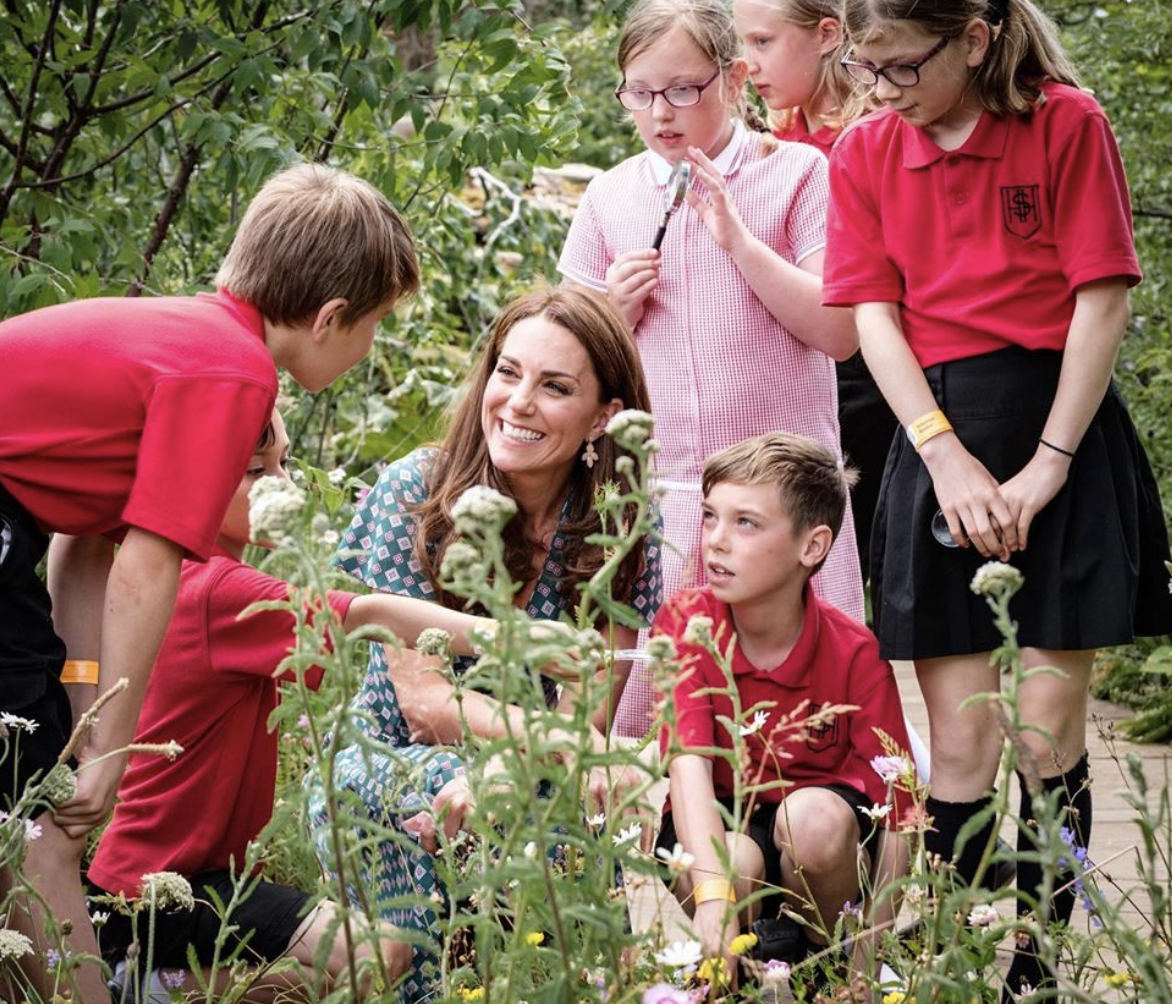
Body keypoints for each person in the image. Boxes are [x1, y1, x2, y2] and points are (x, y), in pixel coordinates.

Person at [0, 162, 418, 1002]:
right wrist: (112, 758)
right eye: (373, 325)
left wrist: (88, 715)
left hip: (16, 532)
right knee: (41, 833)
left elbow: (85, 544)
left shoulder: (191, 336)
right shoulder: (234, 370)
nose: (368, 346)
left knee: (26, 812)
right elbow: (148, 565)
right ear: (331, 317)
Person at [822, 0, 1172, 997]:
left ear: (971, 39)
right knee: (966, 737)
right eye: (861, 66)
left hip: (1059, 418)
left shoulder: (1064, 122)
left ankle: (1033, 962)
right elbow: (873, 317)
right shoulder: (864, 152)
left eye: (897, 67)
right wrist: (941, 456)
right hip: (935, 429)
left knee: (1039, 731)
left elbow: (1099, 297)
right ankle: (969, 961)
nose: (877, 91)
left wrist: (1049, 461)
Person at [306, 287, 663, 1000]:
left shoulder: (620, 524)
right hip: (394, 773)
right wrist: (509, 766)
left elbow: (587, 718)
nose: (519, 402)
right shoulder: (418, 493)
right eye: (508, 371)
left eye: (555, 386)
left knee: (571, 918)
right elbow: (425, 703)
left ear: (605, 418)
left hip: (539, 782)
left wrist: (511, 772)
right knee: (444, 814)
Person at [84, 409, 511, 1000]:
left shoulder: (181, 576)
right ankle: (149, 989)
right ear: (190, 478)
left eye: (284, 462)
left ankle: (156, 983)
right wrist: (516, 638)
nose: (281, 484)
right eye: (257, 471)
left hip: (181, 879)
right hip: (166, 886)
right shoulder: (218, 590)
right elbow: (371, 616)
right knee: (378, 957)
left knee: (348, 965)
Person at [557, 0, 864, 740]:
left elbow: (838, 329)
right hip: (655, 501)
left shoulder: (797, 174)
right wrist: (613, 314)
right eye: (639, 92)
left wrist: (739, 242)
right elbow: (563, 354)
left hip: (784, 498)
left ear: (732, 78)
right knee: (653, 726)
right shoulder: (609, 196)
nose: (660, 112)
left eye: (684, 90)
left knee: (797, 722)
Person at [653, 433, 910, 985]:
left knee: (810, 820)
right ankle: (736, 974)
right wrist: (717, 897)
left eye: (745, 523)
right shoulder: (687, 623)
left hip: (822, 855)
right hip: (718, 829)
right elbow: (688, 763)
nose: (715, 542)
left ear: (811, 547)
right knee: (734, 860)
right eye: (709, 516)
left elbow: (899, 814)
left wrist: (871, 954)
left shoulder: (855, 652)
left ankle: (824, 964)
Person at [733, 0, 898, 581]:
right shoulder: (768, 145)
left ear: (828, 34)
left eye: (762, 42)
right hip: (786, 379)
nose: (748, 64)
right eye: (742, 46)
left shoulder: (880, 133)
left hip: (878, 378)